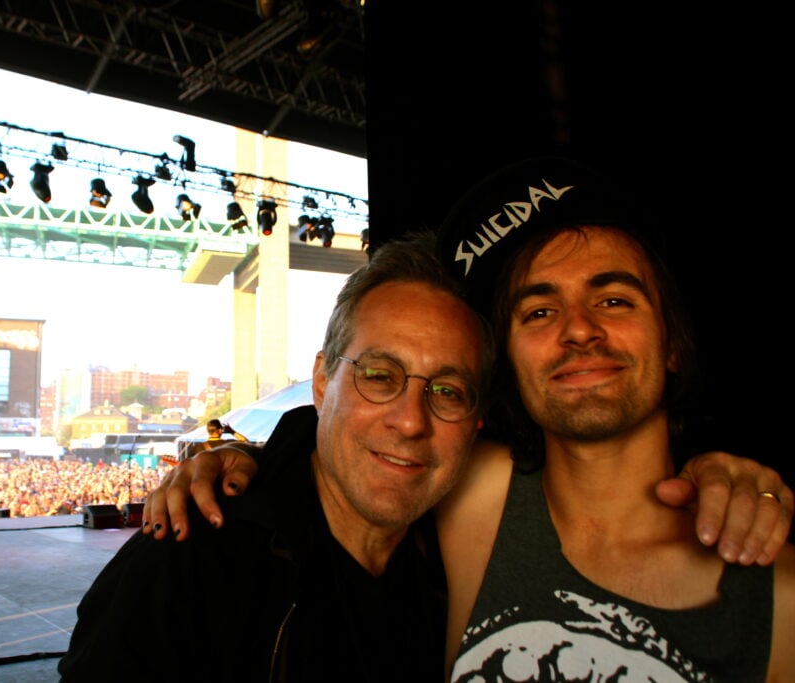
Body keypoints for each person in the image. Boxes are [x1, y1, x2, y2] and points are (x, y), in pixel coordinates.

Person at [148, 158, 795, 680]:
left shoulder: (780, 598)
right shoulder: (475, 497)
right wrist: (236, 460)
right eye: (538, 311)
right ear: (512, 363)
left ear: (673, 340)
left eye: (615, 299)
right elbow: (345, 465)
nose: (578, 329)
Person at [59, 230, 493, 681]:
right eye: (379, 376)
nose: (410, 422)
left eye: (448, 392)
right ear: (321, 383)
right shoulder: (189, 563)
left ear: (478, 419)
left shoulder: (469, 560)